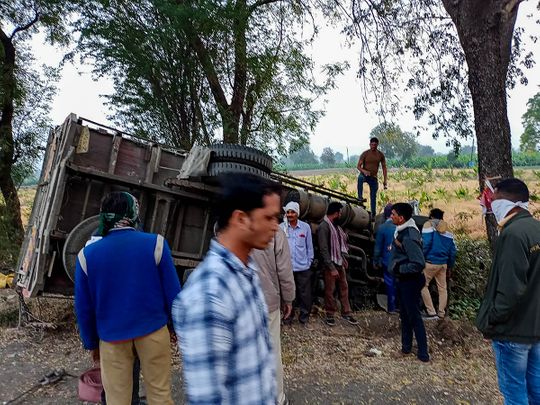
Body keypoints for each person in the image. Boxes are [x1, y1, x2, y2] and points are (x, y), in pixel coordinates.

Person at [172, 174, 280, 404]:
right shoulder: (210, 295)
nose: (276, 227)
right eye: (269, 218)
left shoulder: (246, 271)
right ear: (241, 219)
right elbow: (207, 398)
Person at [75, 191, 180, 405]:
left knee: (116, 399)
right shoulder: (156, 244)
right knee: (160, 394)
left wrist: (91, 343)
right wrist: (175, 327)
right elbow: (174, 295)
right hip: (153, 332)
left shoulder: (86, 256)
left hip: (111, 339)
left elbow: (84, 308)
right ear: (134, 213)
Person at [476, 178, 540, 404]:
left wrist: (492, 321)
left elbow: (510, 289)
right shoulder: (536, 229)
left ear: (505, 200)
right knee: (536, 389)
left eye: (493, 199)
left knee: (514, 392)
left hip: (512, 331)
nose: (490, 205)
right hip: (535, 328)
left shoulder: (513, 234)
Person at [252, 226, 295, 405]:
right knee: (271, 350)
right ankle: (277, 398)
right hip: (268, 300)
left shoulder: (231, 226)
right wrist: (289, 299)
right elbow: (284, 271)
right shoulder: (275, 231)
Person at [389, 202, 429, 362]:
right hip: (403, 280)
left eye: (393, 214)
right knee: (405, 316)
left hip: (410, 281)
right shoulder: (401, 232)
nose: (390, 216)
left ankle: (423, 353)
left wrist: (400, 268)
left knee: (414, 317)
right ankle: (406, 348)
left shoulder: (409, 236)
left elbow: (419, 263)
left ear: (401, 218)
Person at [318, 201, 358, 326]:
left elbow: (340, 245)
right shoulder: (324, 227)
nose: (341, 215)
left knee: (344, 288)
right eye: (340, 213)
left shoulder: (335, 226)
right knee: (330, 290)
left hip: (339, 262)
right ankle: (330, 314)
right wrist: (331, 267)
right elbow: (323, 249)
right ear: (335, 213)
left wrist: (343, 259)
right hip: (330, 264)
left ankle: (346, 313)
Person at [280, 201, 314, 324]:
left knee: (305, 294)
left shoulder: (305, 228)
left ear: (297, 213)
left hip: (302, 267)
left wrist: (309, 262)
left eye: (292, 212)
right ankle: (288, 317)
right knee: (288, 294)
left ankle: (304, 317)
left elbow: (309, 247)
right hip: (287, 268)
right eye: (288, 212)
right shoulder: (281, 228)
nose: (290, 214)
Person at [420, 208, 457, 320]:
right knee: (443, 289)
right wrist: (450, 266)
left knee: (422, 285)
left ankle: (431, 312)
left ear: (431, 216)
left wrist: (421, 257)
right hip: (443, 264)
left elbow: (426, 244)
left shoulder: (428, 226)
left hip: (430, 263)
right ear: (442, 218)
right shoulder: (448, 232)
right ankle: (441, 313)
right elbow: (453, 252)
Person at [373, 203, 397, 313]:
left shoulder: (382, 228)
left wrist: (376, 261)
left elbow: (377, 248)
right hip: (400, 260)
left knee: (390, 283)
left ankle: (391, 308)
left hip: (387, 261)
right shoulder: (400, 227)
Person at [357, 137, 388, 216]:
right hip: (364, 175)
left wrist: (385, 181)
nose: (373, 146)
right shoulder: (365, 153)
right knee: (360, 178)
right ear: (369, 144)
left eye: (375, 145)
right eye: (372, 144)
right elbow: (358, 166)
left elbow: (384, 167)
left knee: (373, 197)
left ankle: (373, 215)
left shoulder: (380, 155)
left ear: (377, 145)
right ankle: (360, 197)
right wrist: (364, 171)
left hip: (373, 177)